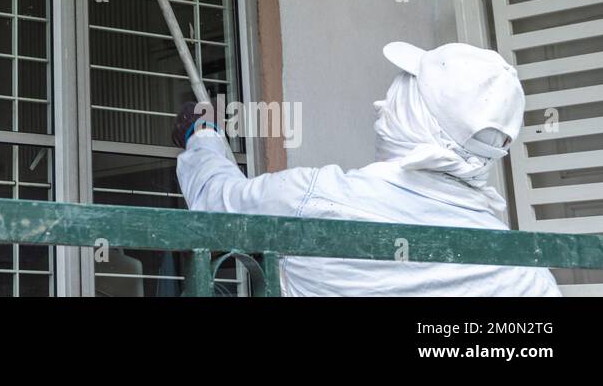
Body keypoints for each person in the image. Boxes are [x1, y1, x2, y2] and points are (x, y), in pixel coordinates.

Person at [171, 42, 560, 296]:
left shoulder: (315, 200)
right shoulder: (525, 272)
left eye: (400, 94)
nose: (381, 105)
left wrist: (203, 134)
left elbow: (216, 201)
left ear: (414, 118)